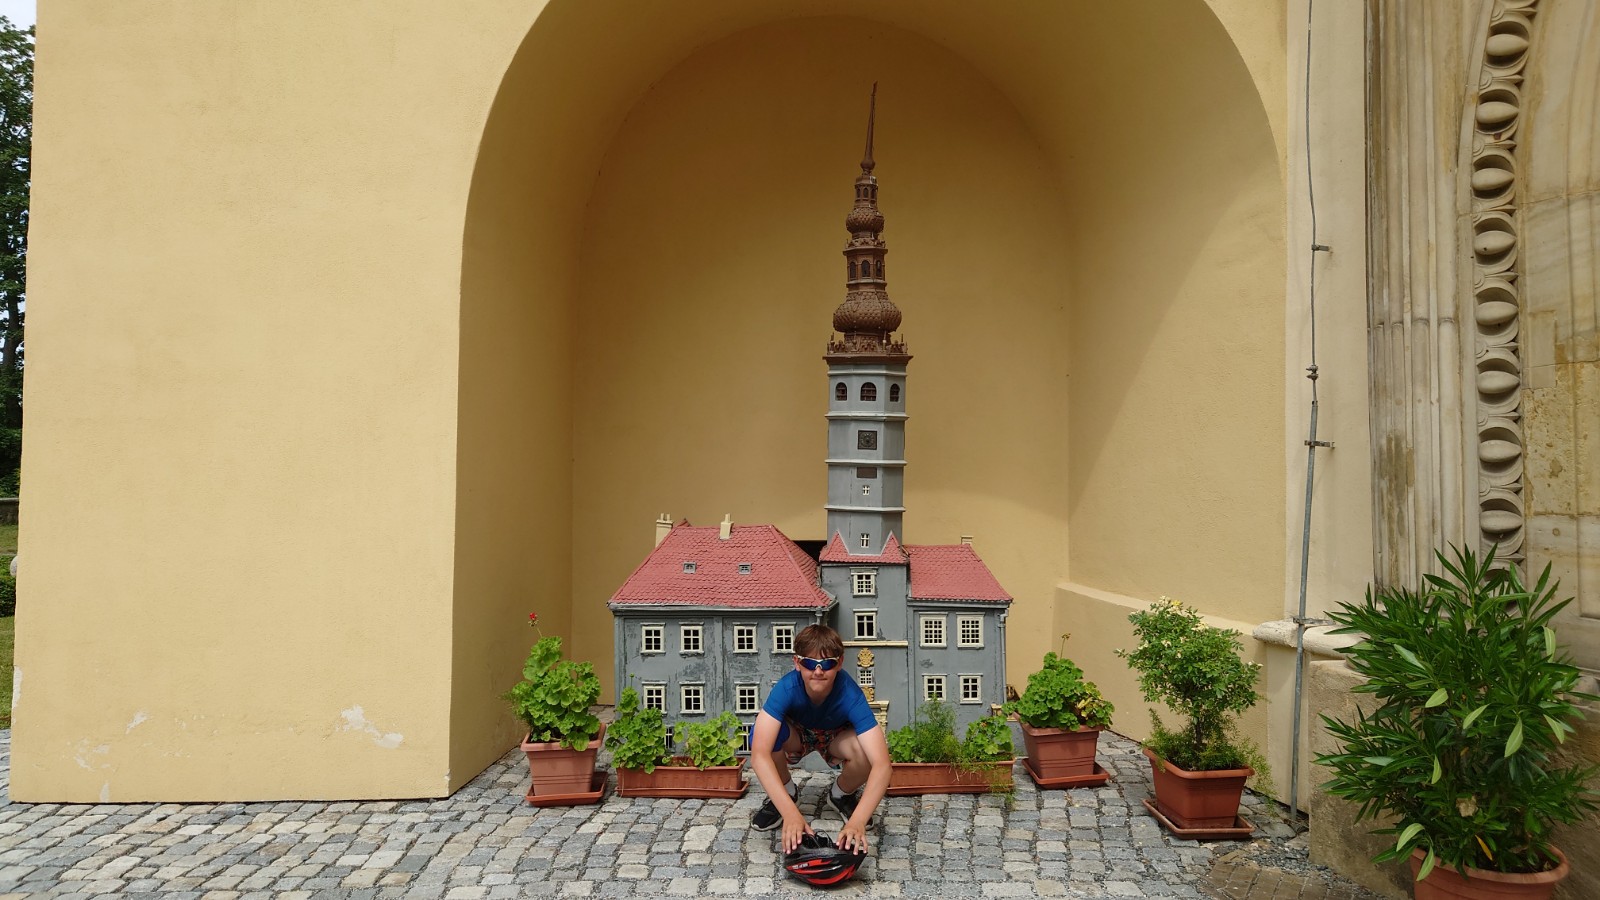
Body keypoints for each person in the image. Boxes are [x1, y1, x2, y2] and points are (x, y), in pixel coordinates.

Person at [749, 623, 892, 854]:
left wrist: (857, 821)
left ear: (839, 663)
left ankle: (841, 794)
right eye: (809, 663)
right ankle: (786, 794)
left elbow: (882, 764)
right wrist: (791, 814)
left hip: (835, 738)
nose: (818, 671)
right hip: (796, 736)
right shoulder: (786, 688)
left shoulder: (850, 694)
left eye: (827, 663)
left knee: (867, 750)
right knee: (762, 734)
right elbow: (759, 755)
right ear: (797, 663)